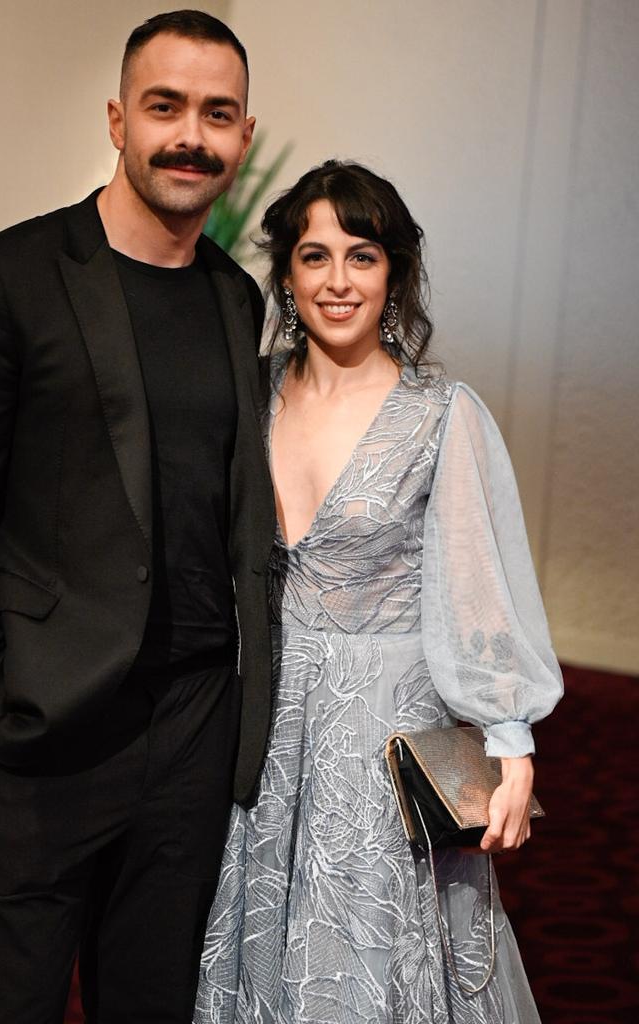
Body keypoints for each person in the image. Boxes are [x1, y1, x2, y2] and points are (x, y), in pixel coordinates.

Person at [0, 10, 274, 1023]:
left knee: (148, 1003)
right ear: (118, 118)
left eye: (216, 112)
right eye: (165, 106)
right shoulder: (3, 276)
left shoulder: (240, 300)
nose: (190, 133)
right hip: (45, 724)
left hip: (194, 726)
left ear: (244, 134)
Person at [194, 161, 564, 1023]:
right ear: (285, 273)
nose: (337, 281)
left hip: (388, 736)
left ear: (394, 271)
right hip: (264, 727)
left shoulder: (443, 413)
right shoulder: (247, 397)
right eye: (314, 256)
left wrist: (511, 740)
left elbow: (480, 586)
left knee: (366, 961)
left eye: (361, 256)